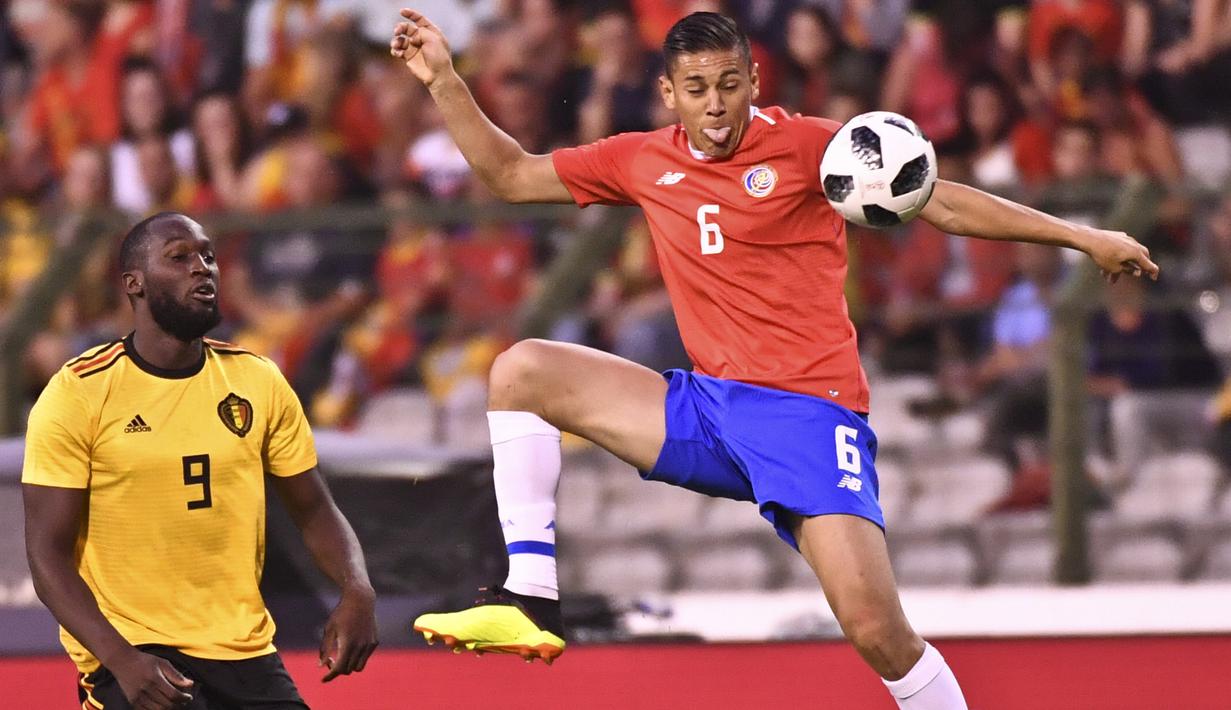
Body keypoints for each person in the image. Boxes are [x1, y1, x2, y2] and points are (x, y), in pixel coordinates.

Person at [390, 10, 1157, 709]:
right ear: (668, 93)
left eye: (729, 83)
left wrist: (1083, 237)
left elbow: (942, 199)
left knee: (875, 631)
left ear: (754, 80)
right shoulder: (639, 160)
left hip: (805, 415)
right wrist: (447, 80)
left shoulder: (807, 146)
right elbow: (511, 174)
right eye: (696, 88)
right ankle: (530, 599)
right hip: (705, 410)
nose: (715, 103)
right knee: (521, 370)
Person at [22, 213, 378, 710]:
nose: (202, 268)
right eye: (179, 257)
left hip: (243, 650)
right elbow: (47, 556)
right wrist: (120, 661)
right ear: (134, 283)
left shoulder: (258, 380)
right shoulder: (78, 391)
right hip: (135, 653)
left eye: (208, 255)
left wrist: (357, 589)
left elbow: (314, 508)